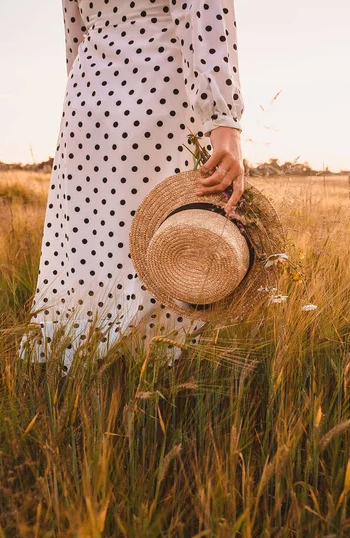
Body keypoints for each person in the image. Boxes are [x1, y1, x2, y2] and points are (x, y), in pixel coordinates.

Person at [18, 0, 245, 375]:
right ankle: (150, 370)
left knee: (87, 241)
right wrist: (223, 118)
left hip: (86, 96)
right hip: (158, 85)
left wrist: (85, 88)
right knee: (160, 237)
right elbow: (205, 14)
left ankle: (80, 360)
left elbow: (75, 35)